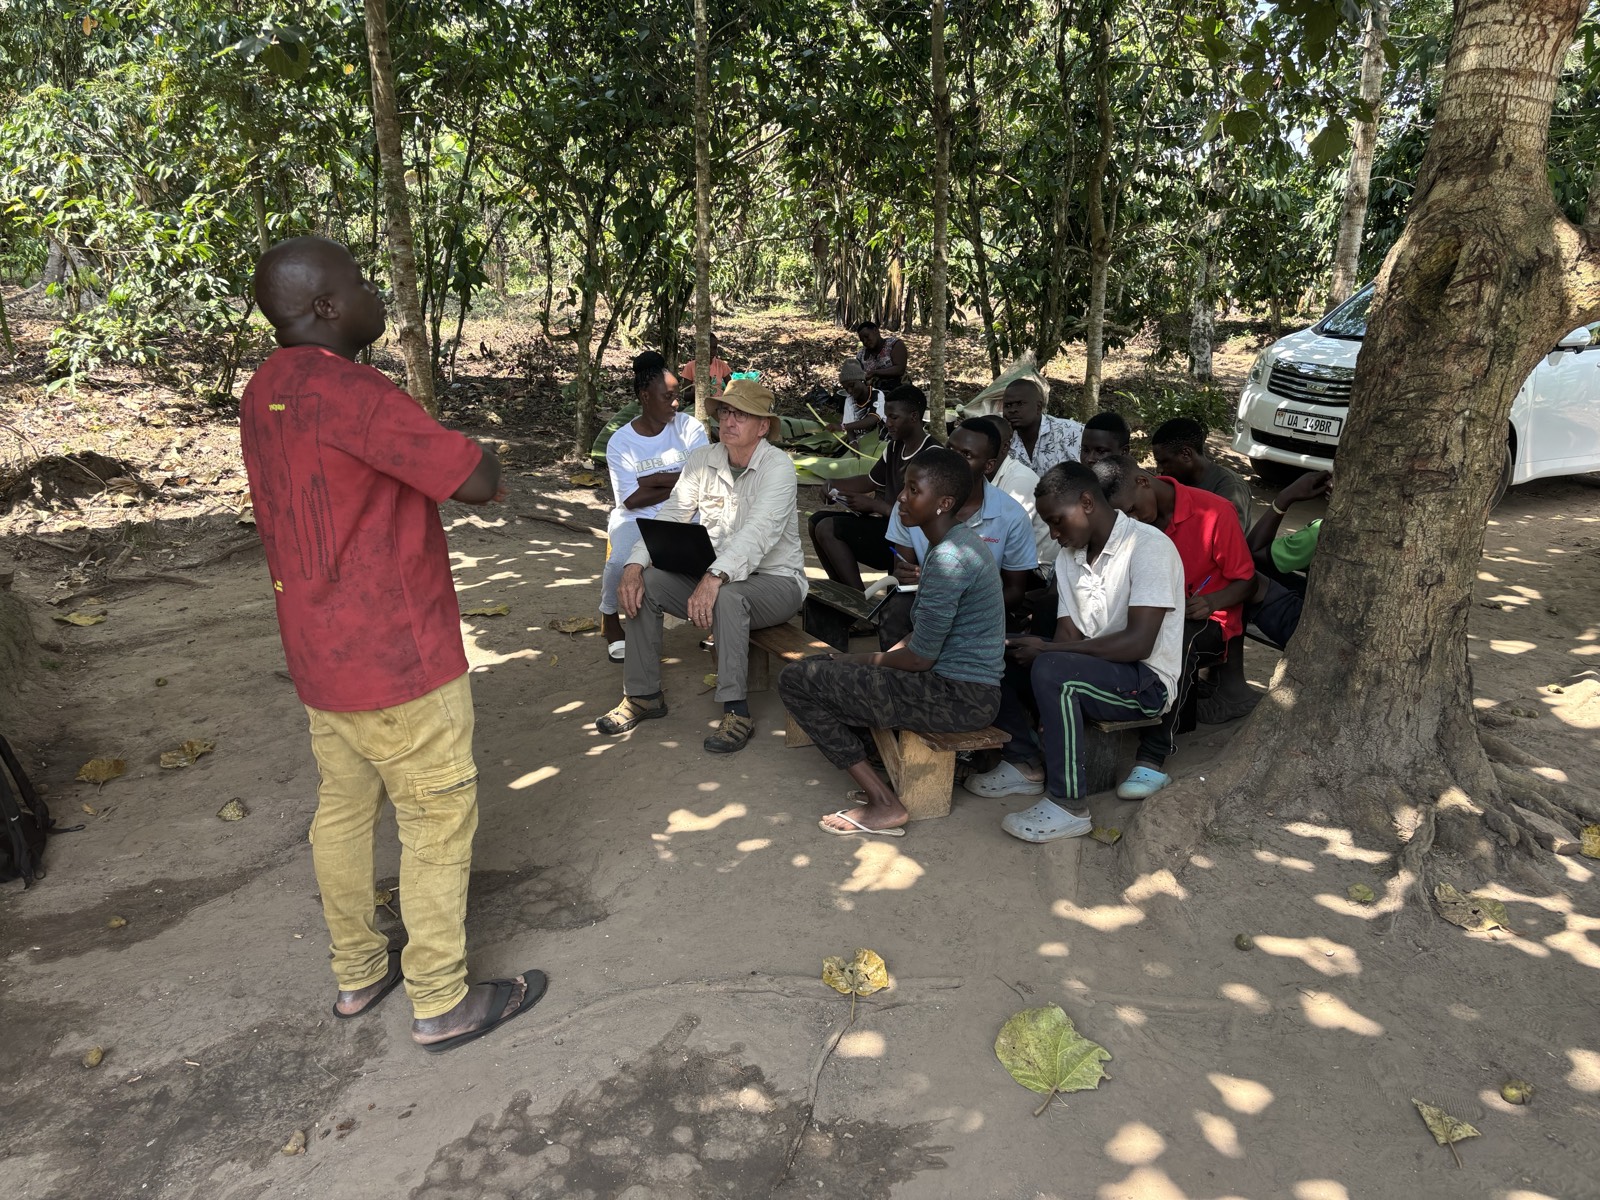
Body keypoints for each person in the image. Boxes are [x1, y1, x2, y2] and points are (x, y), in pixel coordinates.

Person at [239, 236, 543, 1052]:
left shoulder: (265, 388)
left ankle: (358, 970)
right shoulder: (356, 394)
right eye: (362, 281)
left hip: (320, 659)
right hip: (398, 658)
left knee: (341, 812)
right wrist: (484, 449)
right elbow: (476, 480)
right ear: (329, 307)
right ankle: (441, 998)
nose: (375, 292)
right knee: (436, 817)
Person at [779, 448, 1004, 836]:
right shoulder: (953, 543)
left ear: (943, 503)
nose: (900, 497)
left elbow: (919, 660)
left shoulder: (950, 557)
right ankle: (882, 776)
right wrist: (864, 661)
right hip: (959, 689)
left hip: (958, 697)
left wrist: (859, 662)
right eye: (904, 487)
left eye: (913, 490)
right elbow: (923, 636)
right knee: (822, 671)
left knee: (796, 681)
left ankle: (883, 803)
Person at [965, 464, 1185, 842]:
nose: (1053, 534)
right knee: (990, 647)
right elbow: (1069, 632)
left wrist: (1050, 650)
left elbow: (1138, 643)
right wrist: (1044, 648)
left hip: (1146, 682)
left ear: (1086, 503)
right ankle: (1024, 762)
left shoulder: (1148, 547)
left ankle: (1069, 806)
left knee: (1053, 668)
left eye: (1057, 522)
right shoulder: (1071, 557)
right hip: (1094, 669)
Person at [601, 378, 807, 754]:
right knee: (645, 581)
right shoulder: (703, 459)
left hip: (777, 584)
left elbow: (758, 532)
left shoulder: (778, 468)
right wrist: (632, 565)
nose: (729, 420)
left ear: (763, 427)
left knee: (728, 596)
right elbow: (671, 515)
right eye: (726, 411)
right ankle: (644, 695)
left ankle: (736, 711)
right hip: (718, 577)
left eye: (741, 415)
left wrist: (713, 577)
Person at [1090, 454, 1255, 787]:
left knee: (1178, 639)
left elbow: (1247, 580)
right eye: (1124, 515)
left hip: (1209, 619)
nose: (1132, 519)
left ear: (1143, 481)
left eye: (1133, 510)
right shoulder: (1128, 523)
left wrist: (1211, 601)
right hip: (1153, 613)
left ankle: (1152, 756)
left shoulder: (1214, 511)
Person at [879, 428, 1038, 648]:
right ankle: (894, 678)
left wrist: (964, 605)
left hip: (983, 608)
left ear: (989, 466)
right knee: (896, 614)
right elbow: (903, 568)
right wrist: (904, 574)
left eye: (967, 454)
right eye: (950, 449)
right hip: (926, 597)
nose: (953, 458)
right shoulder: (910, 504)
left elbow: (1015, 591)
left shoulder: (1011, 515)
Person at [599, 352, 709, 662]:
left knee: (719, 547)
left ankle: (720, 616)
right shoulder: (621, 442)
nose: (677, 403)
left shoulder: (689, 428)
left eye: (678, 396)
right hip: (637, 516)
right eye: (669, 397)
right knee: (620, 559)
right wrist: (681, 478)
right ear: (645, 397)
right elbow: (631, 500)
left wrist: (655, 479)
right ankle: (609, 617)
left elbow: (703, 478)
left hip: (688, 510)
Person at [809, 386, 933, 592]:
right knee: (816, 522)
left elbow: (923, 516)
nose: (888, 423)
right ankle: (845, 595)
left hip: (910, 541)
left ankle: (860, 604)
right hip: (889, 528)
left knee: (827, 528)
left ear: (914, 417)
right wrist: (834, 485)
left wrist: (876, 506)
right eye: (887, 417)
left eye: (893, 417)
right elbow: (870, 481)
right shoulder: (895, 446)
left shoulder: (932, 454)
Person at [1240, 469, 1332, 649]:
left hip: (1322, 635)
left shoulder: (1323, 532)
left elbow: (1253, 552)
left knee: (1245, 576)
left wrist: (1285, 497)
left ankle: (1227, 669)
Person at [980, 414, 1057, 575]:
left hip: (1035, 570)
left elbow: (1001, 541)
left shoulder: (1019, 480)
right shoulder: (980, 477)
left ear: (1005, 447)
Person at [1149, 417, 1252, 529]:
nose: (1159, 469)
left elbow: (1227, 537)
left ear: (1186, 454)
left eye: (1164, 462)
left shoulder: (1230, 487)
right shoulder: (1175, 482)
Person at [1002, 378, 1083, 475]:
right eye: (1008, 405)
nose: (1013, 410)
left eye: (1020, 404)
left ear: (1038, 407)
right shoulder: (1003, 441)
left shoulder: (1070, 432)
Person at [826, 359, 886, 441]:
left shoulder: (877, 394)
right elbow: (849, 424)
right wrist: (852, 441)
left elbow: (873, 419)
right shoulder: (849, 400)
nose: (849, 391)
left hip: (880, 440)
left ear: (862, 380)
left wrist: (842, 427)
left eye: (852, 385)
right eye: (846, 388)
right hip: (861, 441)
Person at [677, 332, 732, 407]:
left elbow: (732, 388)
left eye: (714, 348)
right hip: (697, 406)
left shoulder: (721, 365)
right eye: (708, 348)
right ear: (701, 349)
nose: (712, 351)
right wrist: (696, 393)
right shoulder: (690, 366)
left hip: (717, 405)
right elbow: (684, 396)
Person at [855, 320, 908, 390]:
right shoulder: (861, 354)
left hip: (899, 390)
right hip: (873, 393)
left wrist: (875, 373)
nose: (865, 341)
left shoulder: (894, 345)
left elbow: (899, 369)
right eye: (862, 340)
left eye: (867, 337)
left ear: (875, 331)